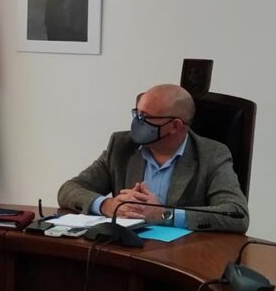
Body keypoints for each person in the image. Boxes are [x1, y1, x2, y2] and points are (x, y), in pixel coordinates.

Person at [58, 84, 249, 232]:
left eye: (146, 117)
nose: (137, 122)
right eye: (137, 114)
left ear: (175, 126)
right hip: (126, 249)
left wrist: (165, 215)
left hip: (183, 254)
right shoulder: (121, 145)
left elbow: (237, 215)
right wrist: (107, 205)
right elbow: (68, 190)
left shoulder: (212, 154)